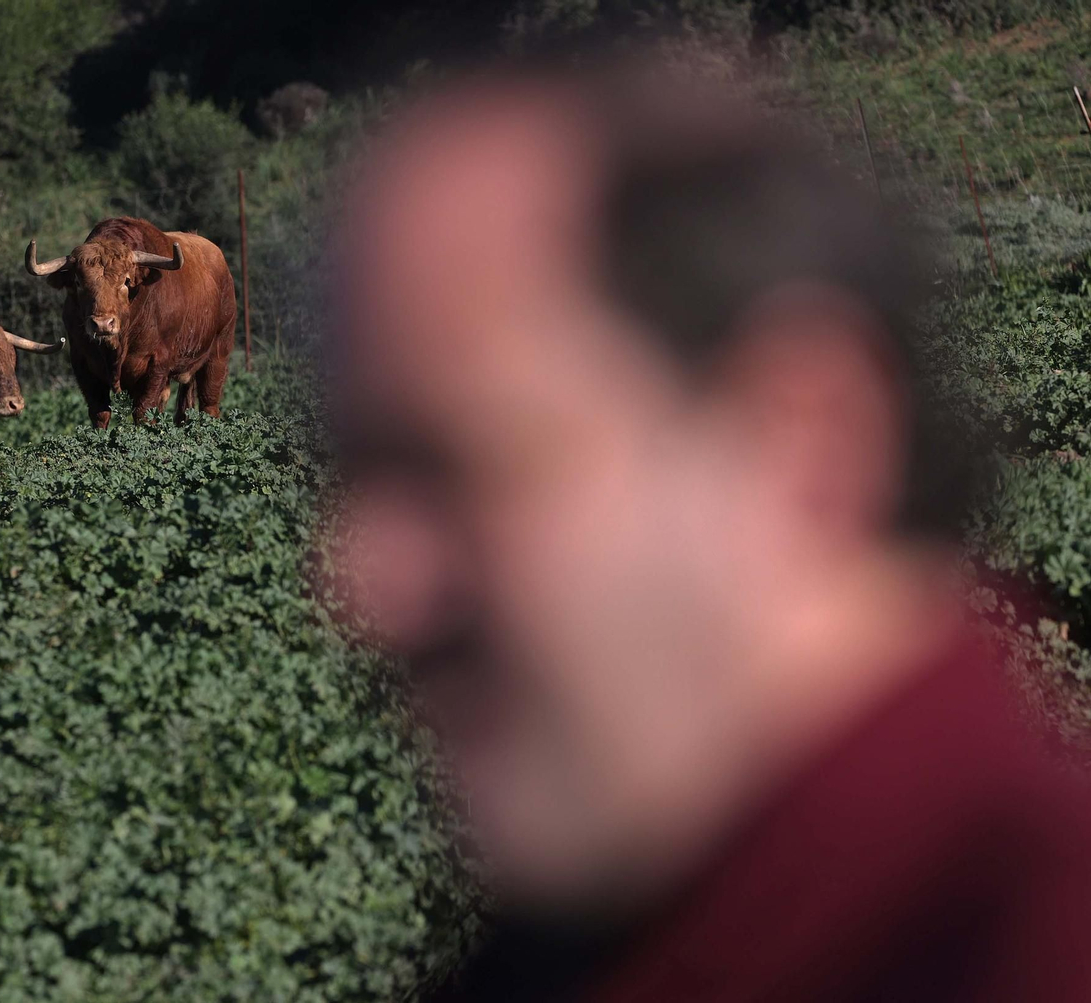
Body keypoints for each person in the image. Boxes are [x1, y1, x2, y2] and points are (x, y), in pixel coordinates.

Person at [328, 53, 1091, 1001]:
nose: (359, 589)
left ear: (803, 445)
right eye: (360, 476)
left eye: (459, 470)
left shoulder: (1032, 951)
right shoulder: (592, 941)